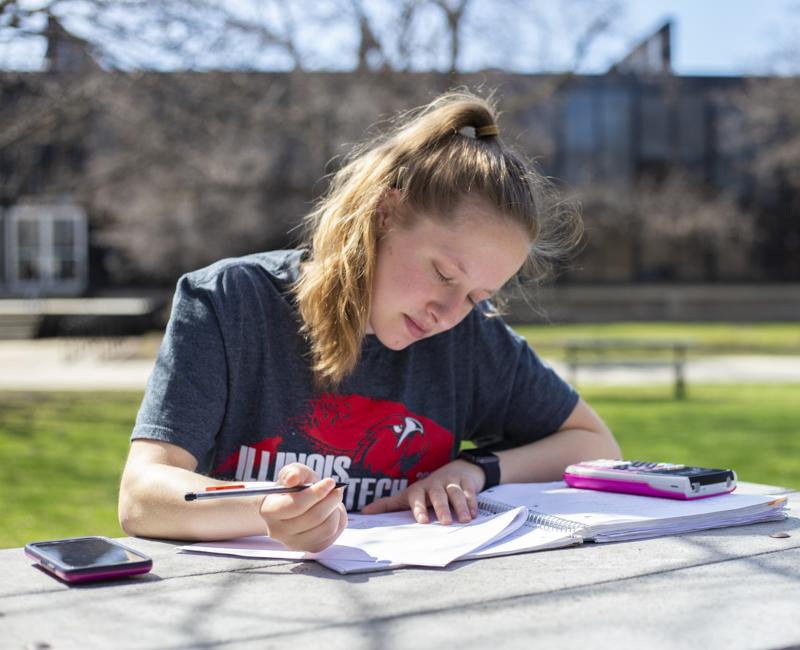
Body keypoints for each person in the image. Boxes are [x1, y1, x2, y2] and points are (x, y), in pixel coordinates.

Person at [118, 90, 621, 553]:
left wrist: (476, 469)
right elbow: (142, 495)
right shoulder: (231, 302)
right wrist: (266, 510)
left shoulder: (471, 339)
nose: (448, 314)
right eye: (443, 274)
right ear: (384, 212)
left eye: (477, 296)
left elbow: (595, 445)